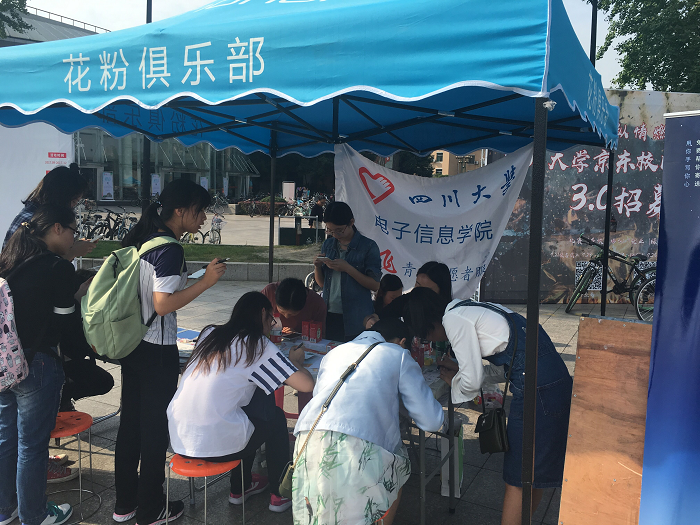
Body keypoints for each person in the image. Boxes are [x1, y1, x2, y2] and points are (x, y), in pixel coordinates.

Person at [399, 288, 573, 525]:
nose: (435, 341)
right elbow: (506, 365)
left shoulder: (453, 320)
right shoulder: (466, 308)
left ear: (429, 326)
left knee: (519, 477)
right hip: (552, 382)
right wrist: (460, 370)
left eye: (427, 336)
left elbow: (471, 382)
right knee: (533, 474)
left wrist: (456, 382)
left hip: (537, 391)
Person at [113, 179, 227, 525]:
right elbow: (162, 304)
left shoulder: (144, 239)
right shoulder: (170, 248)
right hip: (156, 351)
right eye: (200, 210)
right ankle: (151, 509)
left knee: (130, 425)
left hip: (133, 345)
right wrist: (205, 282)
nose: (204, 217)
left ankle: (125, 504)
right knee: (154, 431)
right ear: (180, 211)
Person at [167, 292, 314, 513]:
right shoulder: (257, 344)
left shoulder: (209, 333)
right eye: (271, 319)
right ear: (263, 313)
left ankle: (240, 488)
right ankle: (280, 494)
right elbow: (306, 385)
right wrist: (296, 362)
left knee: (246, 408)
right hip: (216, 445)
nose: (271, 325)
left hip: (178, 439)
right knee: (274, 418)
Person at [292, 318, 444, 525]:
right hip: (360, 443)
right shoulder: (398, 354)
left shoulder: (335, 352)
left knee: (319, 513)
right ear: (402, 342)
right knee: (397, 470)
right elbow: (431, 421)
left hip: (309, 436)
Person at [0, 205, 93, 525]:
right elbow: (65, 324)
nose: (73, 239)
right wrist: (79, 297)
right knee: (32, 446)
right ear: (56, 228)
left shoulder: (9, 260)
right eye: (73, 231)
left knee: (5, 438)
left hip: (4, 361)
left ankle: (5, 509)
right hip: (37, 364)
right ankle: (35, 516)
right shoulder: (56, 266)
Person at [313, 202, 381, 342]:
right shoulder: (328, 245)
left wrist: (348, 268)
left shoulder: (368, 246)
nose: (335, 235)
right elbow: (322, 284)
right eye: (330, 230)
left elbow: (375, 285)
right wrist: (317, 267)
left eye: (339, 230)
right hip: (329, 313)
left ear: (351, 222)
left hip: (356, 316)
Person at [2, 164, 94, 260]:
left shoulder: (37, 215)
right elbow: (39, 266)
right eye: (74, 201)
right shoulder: (35, 221)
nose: (73, 207)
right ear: (61, 196)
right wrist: (73, 251)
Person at [57, 269, 114, 412]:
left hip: (70, 361)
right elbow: (75, 345)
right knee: (103, 381)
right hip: (64, 363)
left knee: (103, 380)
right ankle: (60, 401)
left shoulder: (75, 306)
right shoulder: (71, 311)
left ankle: (61, 400)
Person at [261, 278, 327, 336]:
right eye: (282, 311)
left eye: (292, 314)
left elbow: (320, 336)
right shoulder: (268, 293)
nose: (286, 316)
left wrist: (298, 335)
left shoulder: (317, 303)